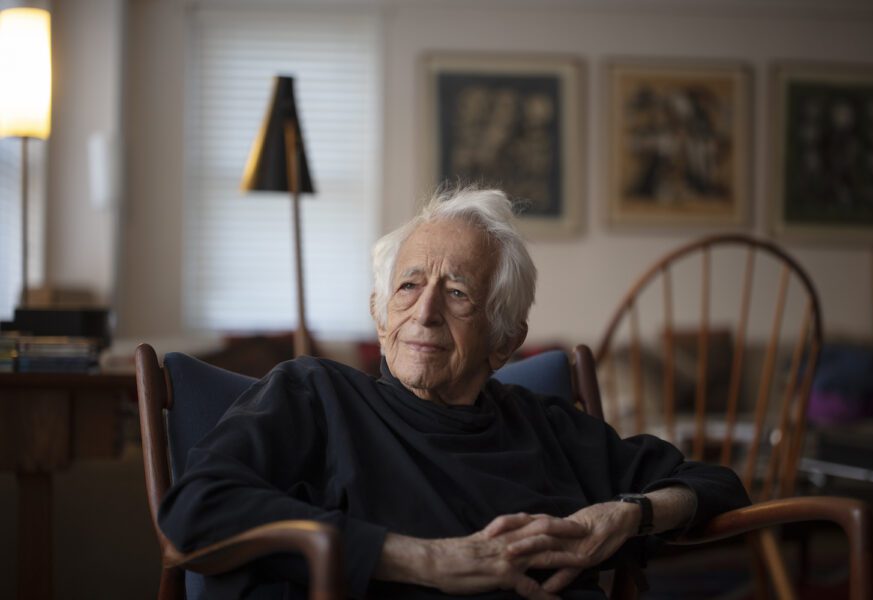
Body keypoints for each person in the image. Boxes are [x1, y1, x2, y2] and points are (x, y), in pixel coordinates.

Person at [159, 187, 750, 599]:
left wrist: (628, 516)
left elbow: (716, 484)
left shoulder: (544, 425)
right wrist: (427, 560)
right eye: (408, 286)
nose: (426, 313)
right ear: (378, 312)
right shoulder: (317, 396)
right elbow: (198, 507)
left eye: (459, 293)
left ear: (505, 338)